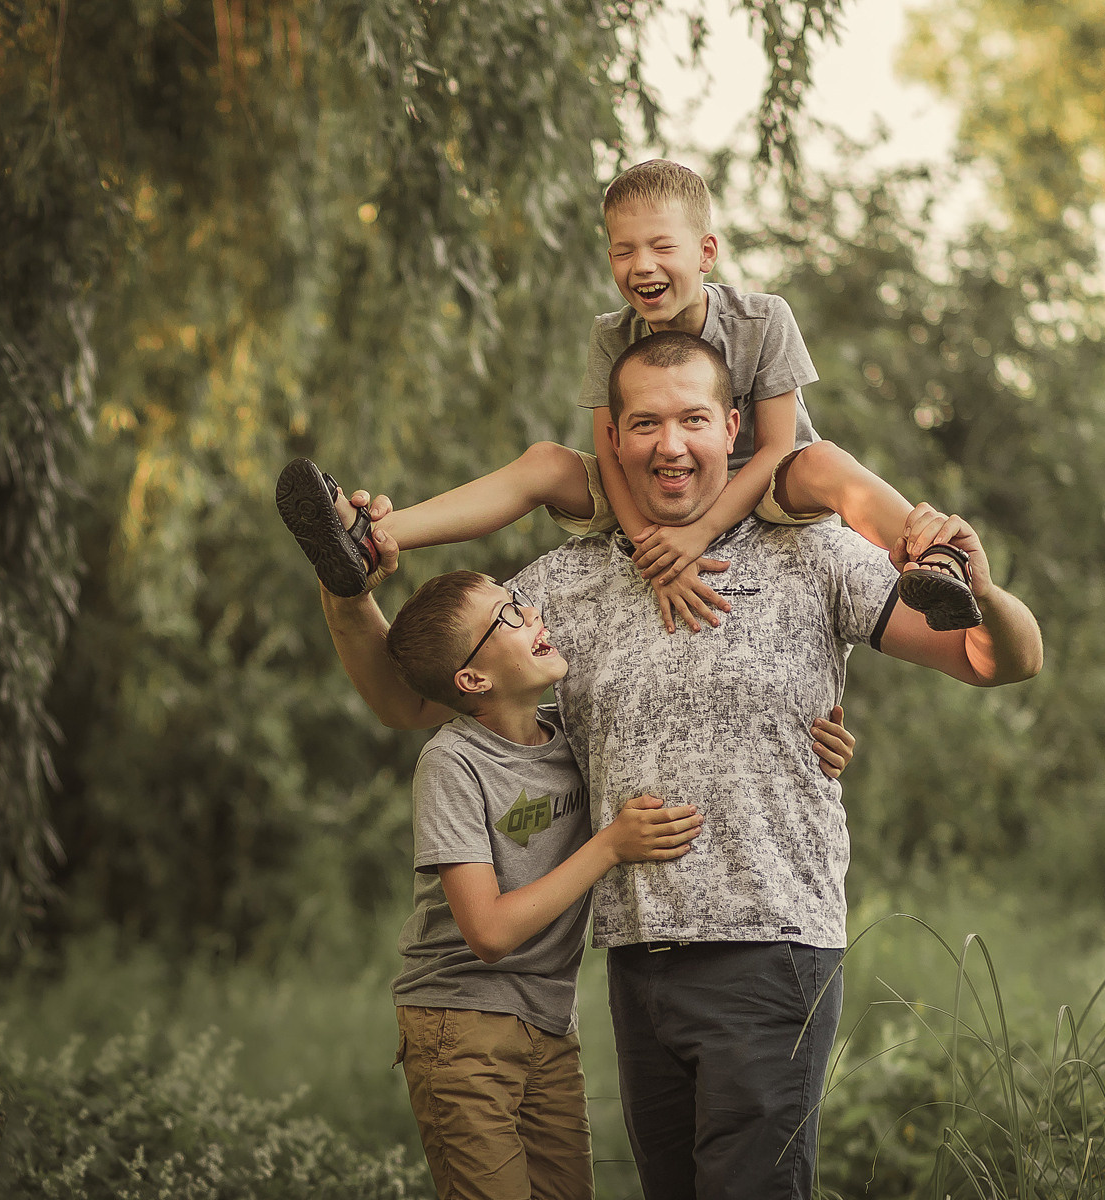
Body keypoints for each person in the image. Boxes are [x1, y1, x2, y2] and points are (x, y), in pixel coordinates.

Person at [289, 330, 1042, 1200]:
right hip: (637, 961)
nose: (670, 445)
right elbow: (414, 697)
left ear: (732, 428)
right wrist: (347, 590)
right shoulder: (563, 586)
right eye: (645, 423)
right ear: (613, 440)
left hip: (772, 948)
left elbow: (998, 661)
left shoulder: (814, 552)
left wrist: (985, 592)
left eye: (693, 420)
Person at [275, 159, 981, 634]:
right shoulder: (611, 333)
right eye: (622, 250)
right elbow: (609, 452)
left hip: (760, 483)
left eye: (661, 247)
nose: (641, 265)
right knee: (546, 461)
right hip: (651, 482)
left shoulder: (764, 318)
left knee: (824, 460)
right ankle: (374, 536)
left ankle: (932, 557)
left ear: (706, 252)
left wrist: (697, 536)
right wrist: (650, 548)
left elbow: (775, 447)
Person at [381, 568, 707, 1199]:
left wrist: (816, 744)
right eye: (506, 617)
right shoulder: (452, 763)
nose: (531, 614)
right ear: (472, 680)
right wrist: (608, 845)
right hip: (461, 1020)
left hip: (550, 1022)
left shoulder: (575, 738)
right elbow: (488, 932)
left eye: (520, 602)